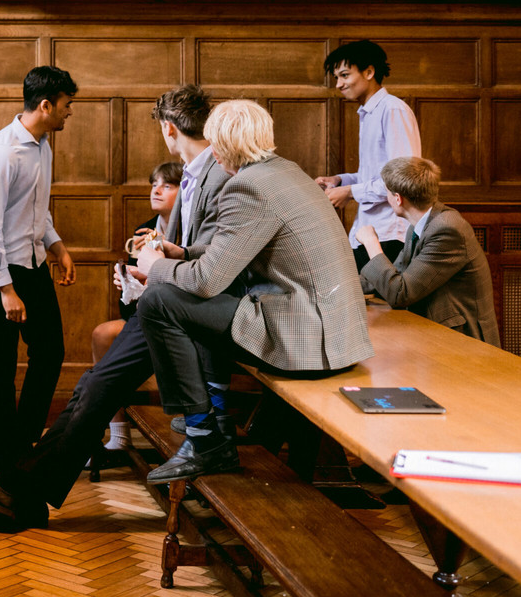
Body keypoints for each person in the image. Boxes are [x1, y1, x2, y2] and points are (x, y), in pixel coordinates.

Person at [0, 85, 231, 529]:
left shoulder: (217, 175)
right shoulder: (195, 173)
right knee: (88, 385)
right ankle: (18, 490)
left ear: (169, 129)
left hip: (182, 310)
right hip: (162, 303)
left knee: (90, 383)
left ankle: (15, 492)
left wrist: (156, 267)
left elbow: (214, 265)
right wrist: (155, 265)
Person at [135, 100, 373, 483]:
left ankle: (204, 438)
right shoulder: (285, 172)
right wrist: (184, 253)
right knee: (197, 301)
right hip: (334, 331)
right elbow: (239, 248)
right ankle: (214, 420)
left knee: (158, 300)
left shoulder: (248, 186)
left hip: (306, 338)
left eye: (214, 143)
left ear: (224, 147)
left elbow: (207, 282)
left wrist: (155, 267)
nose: (212, 152)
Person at [0, 65, 77, 484]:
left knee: (50, 351)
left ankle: (23, 443)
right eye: (66, 105)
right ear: (46, 105)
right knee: (1, 363)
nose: (69, 112)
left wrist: (57, 246)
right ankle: (3, 461)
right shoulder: (2, 153)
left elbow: (35, 208)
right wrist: (5, 289)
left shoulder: (43, 145)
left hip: (30, 260)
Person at [88, 160, 182, 456]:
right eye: (154, 184)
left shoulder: (190, 231)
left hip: (180, 318)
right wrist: (128, 281)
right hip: (143, 316)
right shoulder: (144, 232)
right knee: (103, 334)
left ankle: (185, 438)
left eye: (167, 185)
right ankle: (119, 435)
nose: (157, 190)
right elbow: (126, 306)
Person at [357, 157, 500, 346]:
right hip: (436, 333)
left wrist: (371, 242)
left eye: (387, 193)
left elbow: (399, 294)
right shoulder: (419, 225)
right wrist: (339, 289)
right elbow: (396, 274)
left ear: (398, 198)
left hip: (465, 342)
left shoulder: (448, 229)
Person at [315, 40, 421, 271]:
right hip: (369, 232)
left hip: (390, 234)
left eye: (344, 75)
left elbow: (403, 180)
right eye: (336, 78)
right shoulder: (368, 112)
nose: (338, 84)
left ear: (369, 72)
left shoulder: (392, 109)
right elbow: (376, 174)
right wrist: (340, 181)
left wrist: (350, 192)